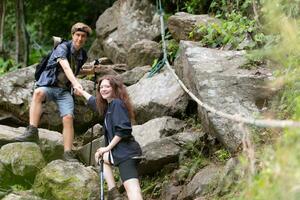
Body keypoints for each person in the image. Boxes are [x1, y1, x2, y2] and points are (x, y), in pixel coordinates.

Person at [9, 22, 94, 162]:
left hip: (64, 90)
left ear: (86, 39)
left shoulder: (82, 55)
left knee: (68, 117)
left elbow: (75, 69)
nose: (80, 38)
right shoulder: (62, 47)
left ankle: (67, 152)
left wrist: (91, 70)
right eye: (77, 35)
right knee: (38, 93)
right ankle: (32, 131)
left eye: (83, 36)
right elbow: (65, 67)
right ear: (73, 35)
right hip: (49, 85)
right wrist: (76, 83)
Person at [75, 75, 143, 200]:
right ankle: (113, 192)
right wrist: (81, 92)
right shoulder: (109, 107)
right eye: (101, 87)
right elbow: (94, 103)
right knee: (100, 156)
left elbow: (123, 130)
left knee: (132, 190)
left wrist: (107, 148)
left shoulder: (117, 104)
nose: (103, 89)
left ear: (115, 88)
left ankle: (113, 191)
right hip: (120, 153)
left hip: (126, 154)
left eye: (107, 86)